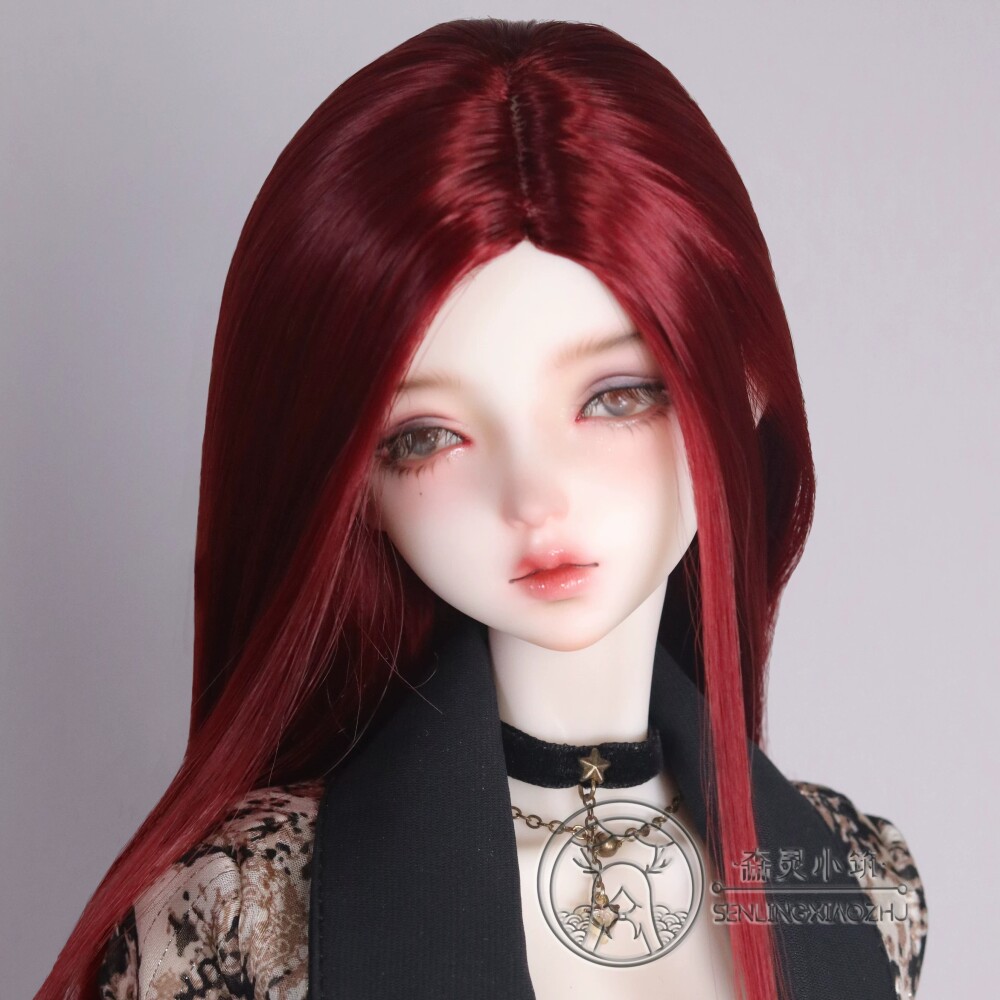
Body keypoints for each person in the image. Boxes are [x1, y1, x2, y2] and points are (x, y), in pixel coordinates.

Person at [37, 17, 927, 1000]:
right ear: (357, 486)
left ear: (746, 388)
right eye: (425, 436)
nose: (534, 499)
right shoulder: (250, 905)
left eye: (615, 398)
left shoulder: (851, 882)